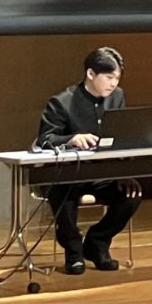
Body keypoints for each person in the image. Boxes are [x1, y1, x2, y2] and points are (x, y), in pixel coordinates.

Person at [34, 47, 142, 274]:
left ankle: (97, 244)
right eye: (109, 77)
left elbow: (120, 135)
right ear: (91, 74)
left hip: (102, 174)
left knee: (131, 195)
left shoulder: (117, 97)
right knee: (63, 195)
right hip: (69, 175)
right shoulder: (62, 102)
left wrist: (124, 173)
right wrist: (71, 138)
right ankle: (73, 252)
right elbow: (45, 139)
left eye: (117, 78)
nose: (113, 84)